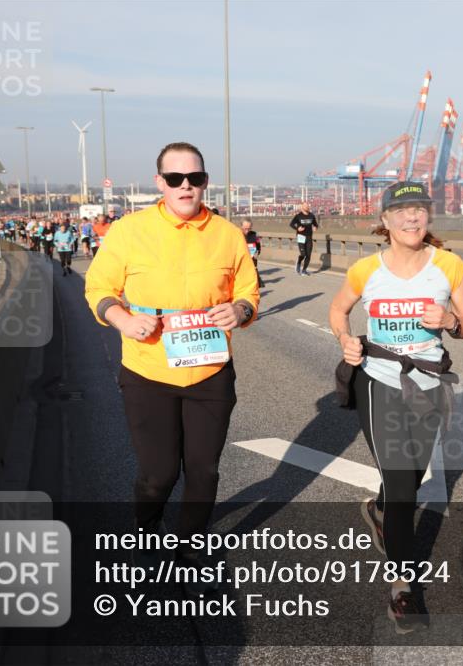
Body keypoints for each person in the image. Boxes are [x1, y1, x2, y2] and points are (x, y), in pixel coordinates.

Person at [84, 142, 260, 591]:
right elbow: (99, 286)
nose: (187, 187)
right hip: (148, 372)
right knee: (159, 473)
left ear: (205, 182)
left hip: (210, 371)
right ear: (159, 182)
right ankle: (146, 527)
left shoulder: (227, 233)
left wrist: (240, 310)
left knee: (204, 470)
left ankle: (190, 547)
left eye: (195, 178)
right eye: (176, 178)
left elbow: (249, 291)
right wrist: (122, 318)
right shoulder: (128, 231)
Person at [329, 181, 463, 633]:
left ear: (428, 218)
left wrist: (451, 320)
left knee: (409, 476)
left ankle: (380, 511)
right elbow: (338, 311)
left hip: (428, 383)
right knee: (401, 481)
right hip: (380, 380)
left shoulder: (449, 266)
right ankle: (403, 589)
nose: (412, 218)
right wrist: (346, 340)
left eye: (420, 210)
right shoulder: (365, 269)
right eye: (403, 210)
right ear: (386, 220)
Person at [289, 202, 319, 275]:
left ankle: (304, 270)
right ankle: (298, 263)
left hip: (309, 237)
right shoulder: (298, 216)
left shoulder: (312, 215)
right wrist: (297, 228)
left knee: (308, 255)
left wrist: (315, 227)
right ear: (302, 207)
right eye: (305, 206)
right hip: (301, 236)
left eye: (308, 206)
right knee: (303, 254)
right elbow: (291, 224)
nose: (307, 207)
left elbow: (315, 224)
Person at [241, 220, 264, 287]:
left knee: (253, 283)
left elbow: (258, 246)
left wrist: (257, 252)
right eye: (245, 228)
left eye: (249, 228)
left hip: (252, 261)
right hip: (242, 261)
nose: (247, 231)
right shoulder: (237, 235)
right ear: (241, 226)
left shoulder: (254, 235)